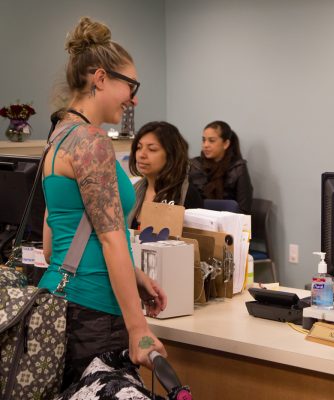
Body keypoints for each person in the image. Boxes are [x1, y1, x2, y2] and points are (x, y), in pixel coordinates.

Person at [39, 17, 167, 390]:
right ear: (99, 79)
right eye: (130, 85)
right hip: (95, 315)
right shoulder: (92, 143)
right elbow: (111, 240)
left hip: (59, 304)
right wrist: (139, 329)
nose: (134, 98)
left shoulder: (59, 136)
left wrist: (135, 277)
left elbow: (52, 249)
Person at [127, 121, 204, 229]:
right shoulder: (134, 190)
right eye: (139, 148)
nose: (141, 154)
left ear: (171, 155)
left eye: (152, 149)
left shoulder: (186, 194)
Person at [189, 120, 253, 213]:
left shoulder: (238, 168)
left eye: (211, 140)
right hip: (198, 221)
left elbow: (244, 209)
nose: (205, 145)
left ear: (226, 144)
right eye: (204, 140)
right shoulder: (194, 165)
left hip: (230, 223)